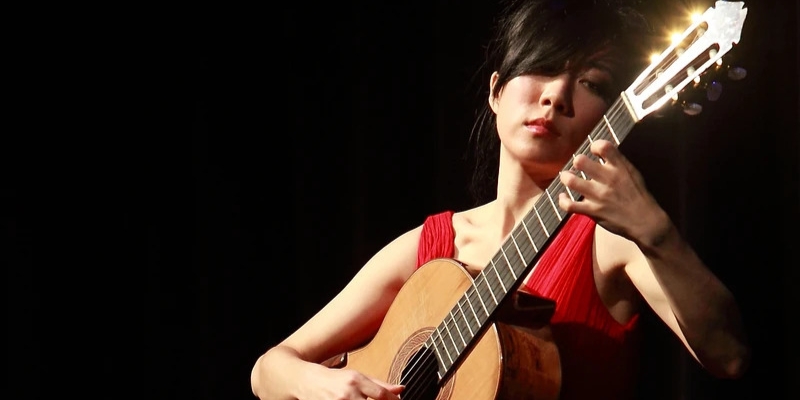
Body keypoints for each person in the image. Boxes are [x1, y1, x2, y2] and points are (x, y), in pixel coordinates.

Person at [250, 0, 751, 399]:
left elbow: (729, 357)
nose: (556, 96)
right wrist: (326, 385)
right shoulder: (430, 247)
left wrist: (657, 235)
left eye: (591, 83)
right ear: (495, 91)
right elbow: (269, 369)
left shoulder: (610, 244)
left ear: (607, 115)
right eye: (543, 67)